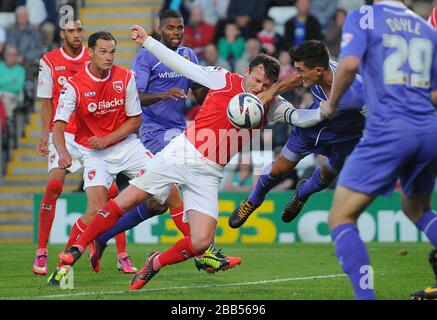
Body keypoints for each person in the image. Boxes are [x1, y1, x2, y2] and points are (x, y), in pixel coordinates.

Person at [55, 24, 329, 290]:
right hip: (181, 152)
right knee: (128, 200)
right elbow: (183, 66)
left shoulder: (274, 105)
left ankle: (155, 262)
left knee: (200, 242)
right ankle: (77, 249)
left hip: (209, 173)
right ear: (246, 72)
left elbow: (299, 118)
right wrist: (148, 42)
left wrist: (324, 113)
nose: (259, 88)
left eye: (266, 84)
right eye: (256, 80)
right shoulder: (223, 79)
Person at [90, 9, 241, 274]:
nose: (176, 32)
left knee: (156, 204)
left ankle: (101, 236)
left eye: (180, 28)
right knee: (175, 191)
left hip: (179, 132)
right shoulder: (146, 56)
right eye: (170, 28)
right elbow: (135, 95)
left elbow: (199, 90)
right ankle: (205, 252)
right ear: (159, 30)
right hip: (152, 131)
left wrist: (224, 109)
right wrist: (163, 95)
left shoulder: (188, 55)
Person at [320, 0, 437, 300]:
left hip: (388, 130)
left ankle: (366, 298)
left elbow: (347, 64)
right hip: (429, 130)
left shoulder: (365, 16)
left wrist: (331, 105)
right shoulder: (426, 27)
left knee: (341, 217)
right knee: (417, 209)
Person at [46, 31, 168, 283]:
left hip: (127, 147)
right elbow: (57, 127)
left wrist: (108, 138)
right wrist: (63, 152)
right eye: (103, 51)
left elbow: (135, 121)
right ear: (90, 52)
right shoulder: (74, 85)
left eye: (112, 51)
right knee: (95, 211)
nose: (109, 57)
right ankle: (63, 267)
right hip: (94, 154)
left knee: (165, 195)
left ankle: (201, 250)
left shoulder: (125, 77)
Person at [228, 40, 366, 229]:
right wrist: (273, 91)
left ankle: (302, 195)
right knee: (279, 169)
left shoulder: (357, 93)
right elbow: (296, 78)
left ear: (318, 70)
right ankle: (253, 199)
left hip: (346, 137)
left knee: (326, 177)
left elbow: (379, 117)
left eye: (301, 70)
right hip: (311, 127)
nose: (298, 74)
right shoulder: (318, 70)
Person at [33, 21, 133, 276]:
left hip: (90, 135)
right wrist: (46, 136)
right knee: (55, 186)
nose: (77, 34)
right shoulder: (50, 61)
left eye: (80, 30)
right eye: (71, 31)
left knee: (110, 194)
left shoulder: (102, 62)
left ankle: (121, 253)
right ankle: (42, 253)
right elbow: (47, 103)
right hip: (65, 134)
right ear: (62, 33)